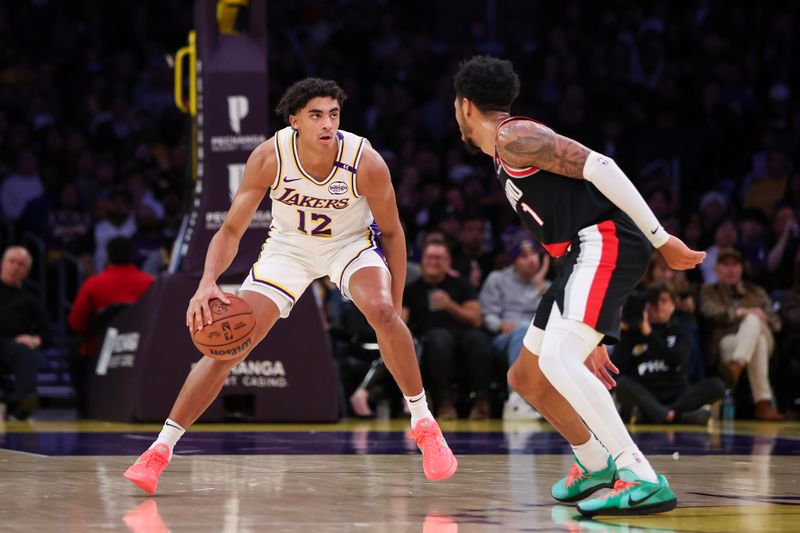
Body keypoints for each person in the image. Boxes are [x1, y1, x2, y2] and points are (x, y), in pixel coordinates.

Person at [124, 78, 457, 494]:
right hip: (290, 249)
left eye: (333, 114)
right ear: (295, 120)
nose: (327, 124)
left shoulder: (365, 161)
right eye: (316, 115)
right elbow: (231, 229)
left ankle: (423, 423)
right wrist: (207, 281)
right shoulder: (269, 156)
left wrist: (397, 300)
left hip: (348, 245)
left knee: (384, 313)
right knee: (230, 343)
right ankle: (159, 450)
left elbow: (393, 233)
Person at [453, 56, 705, 516]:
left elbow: (601, 165)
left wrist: (662, 238)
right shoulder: (503, 149)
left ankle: (640, 474)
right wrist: (588, 326)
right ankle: (594, 463)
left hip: (605, 239)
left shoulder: (514, 136)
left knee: (557, 358)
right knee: (526, 376)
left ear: (464, 106)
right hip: (577, 256)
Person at [403, 240, 492, 420]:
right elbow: (402, 322)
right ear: (422, 261)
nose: (434, 262)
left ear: (448, 261)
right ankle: (444, 401)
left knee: (479, 339)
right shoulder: (412, 289)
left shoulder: (461, 284)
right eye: (430, 258)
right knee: (439, 339)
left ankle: (481, 400)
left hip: (461, 334)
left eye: (439, 258)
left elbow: (475, 319)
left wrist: (450, 305)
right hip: (429, 339)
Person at [614, 283, 725, 425]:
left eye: (664, 300)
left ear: (673, 305)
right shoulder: (633, 333)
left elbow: (677, 360)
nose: (658, 305)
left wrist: (649, 334)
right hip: (647, 393)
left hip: (677, 394)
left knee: (717, 385)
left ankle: (662, 414)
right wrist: (625, 329)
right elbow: (617, 368)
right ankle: (678, 417)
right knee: (623, 384)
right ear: (646, 306)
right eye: (654, 301)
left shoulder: (680, 330)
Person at [68, 236, 154, 414]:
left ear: (108, 256)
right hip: (140, 351)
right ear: (133, 255)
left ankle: (85, 406)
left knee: (74, 353)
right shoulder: (150, 283)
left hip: (99, 352)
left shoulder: (93, 284)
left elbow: (76, 323)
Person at [699, 247, 783, 421]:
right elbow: (710, 311)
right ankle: (763, 404)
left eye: (735, 264)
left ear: (741, 268)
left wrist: (762, 317)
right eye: (725, 264)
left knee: (754, 322)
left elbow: (777, 324)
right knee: (756, 342)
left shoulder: (756, 291)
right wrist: (740, 312)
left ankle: (735, 367)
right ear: (717, 269)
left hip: (764, 336)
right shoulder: (709, 291)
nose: (731, 269)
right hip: (728, 341)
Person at [478, 239, 549, 419]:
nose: (531, 260)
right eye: (523, 256)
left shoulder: (546, 286)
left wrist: (544, 290)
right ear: (513, 261)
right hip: (506, 337)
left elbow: (558, 317)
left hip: (541, 339)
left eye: (533, 254)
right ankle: (516, 401)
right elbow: (487, 313)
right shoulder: (497, 279)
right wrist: (500, 324)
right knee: (524, 332)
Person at [0, 246, 49, 420]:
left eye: (20, 264)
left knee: (24, 350)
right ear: (2, 264)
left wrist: (36, 340)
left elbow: (46, 332)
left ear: (26, 271)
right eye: (11, 262)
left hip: (12, 344)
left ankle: (25, 402)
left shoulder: (30, 299)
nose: (15, 267)